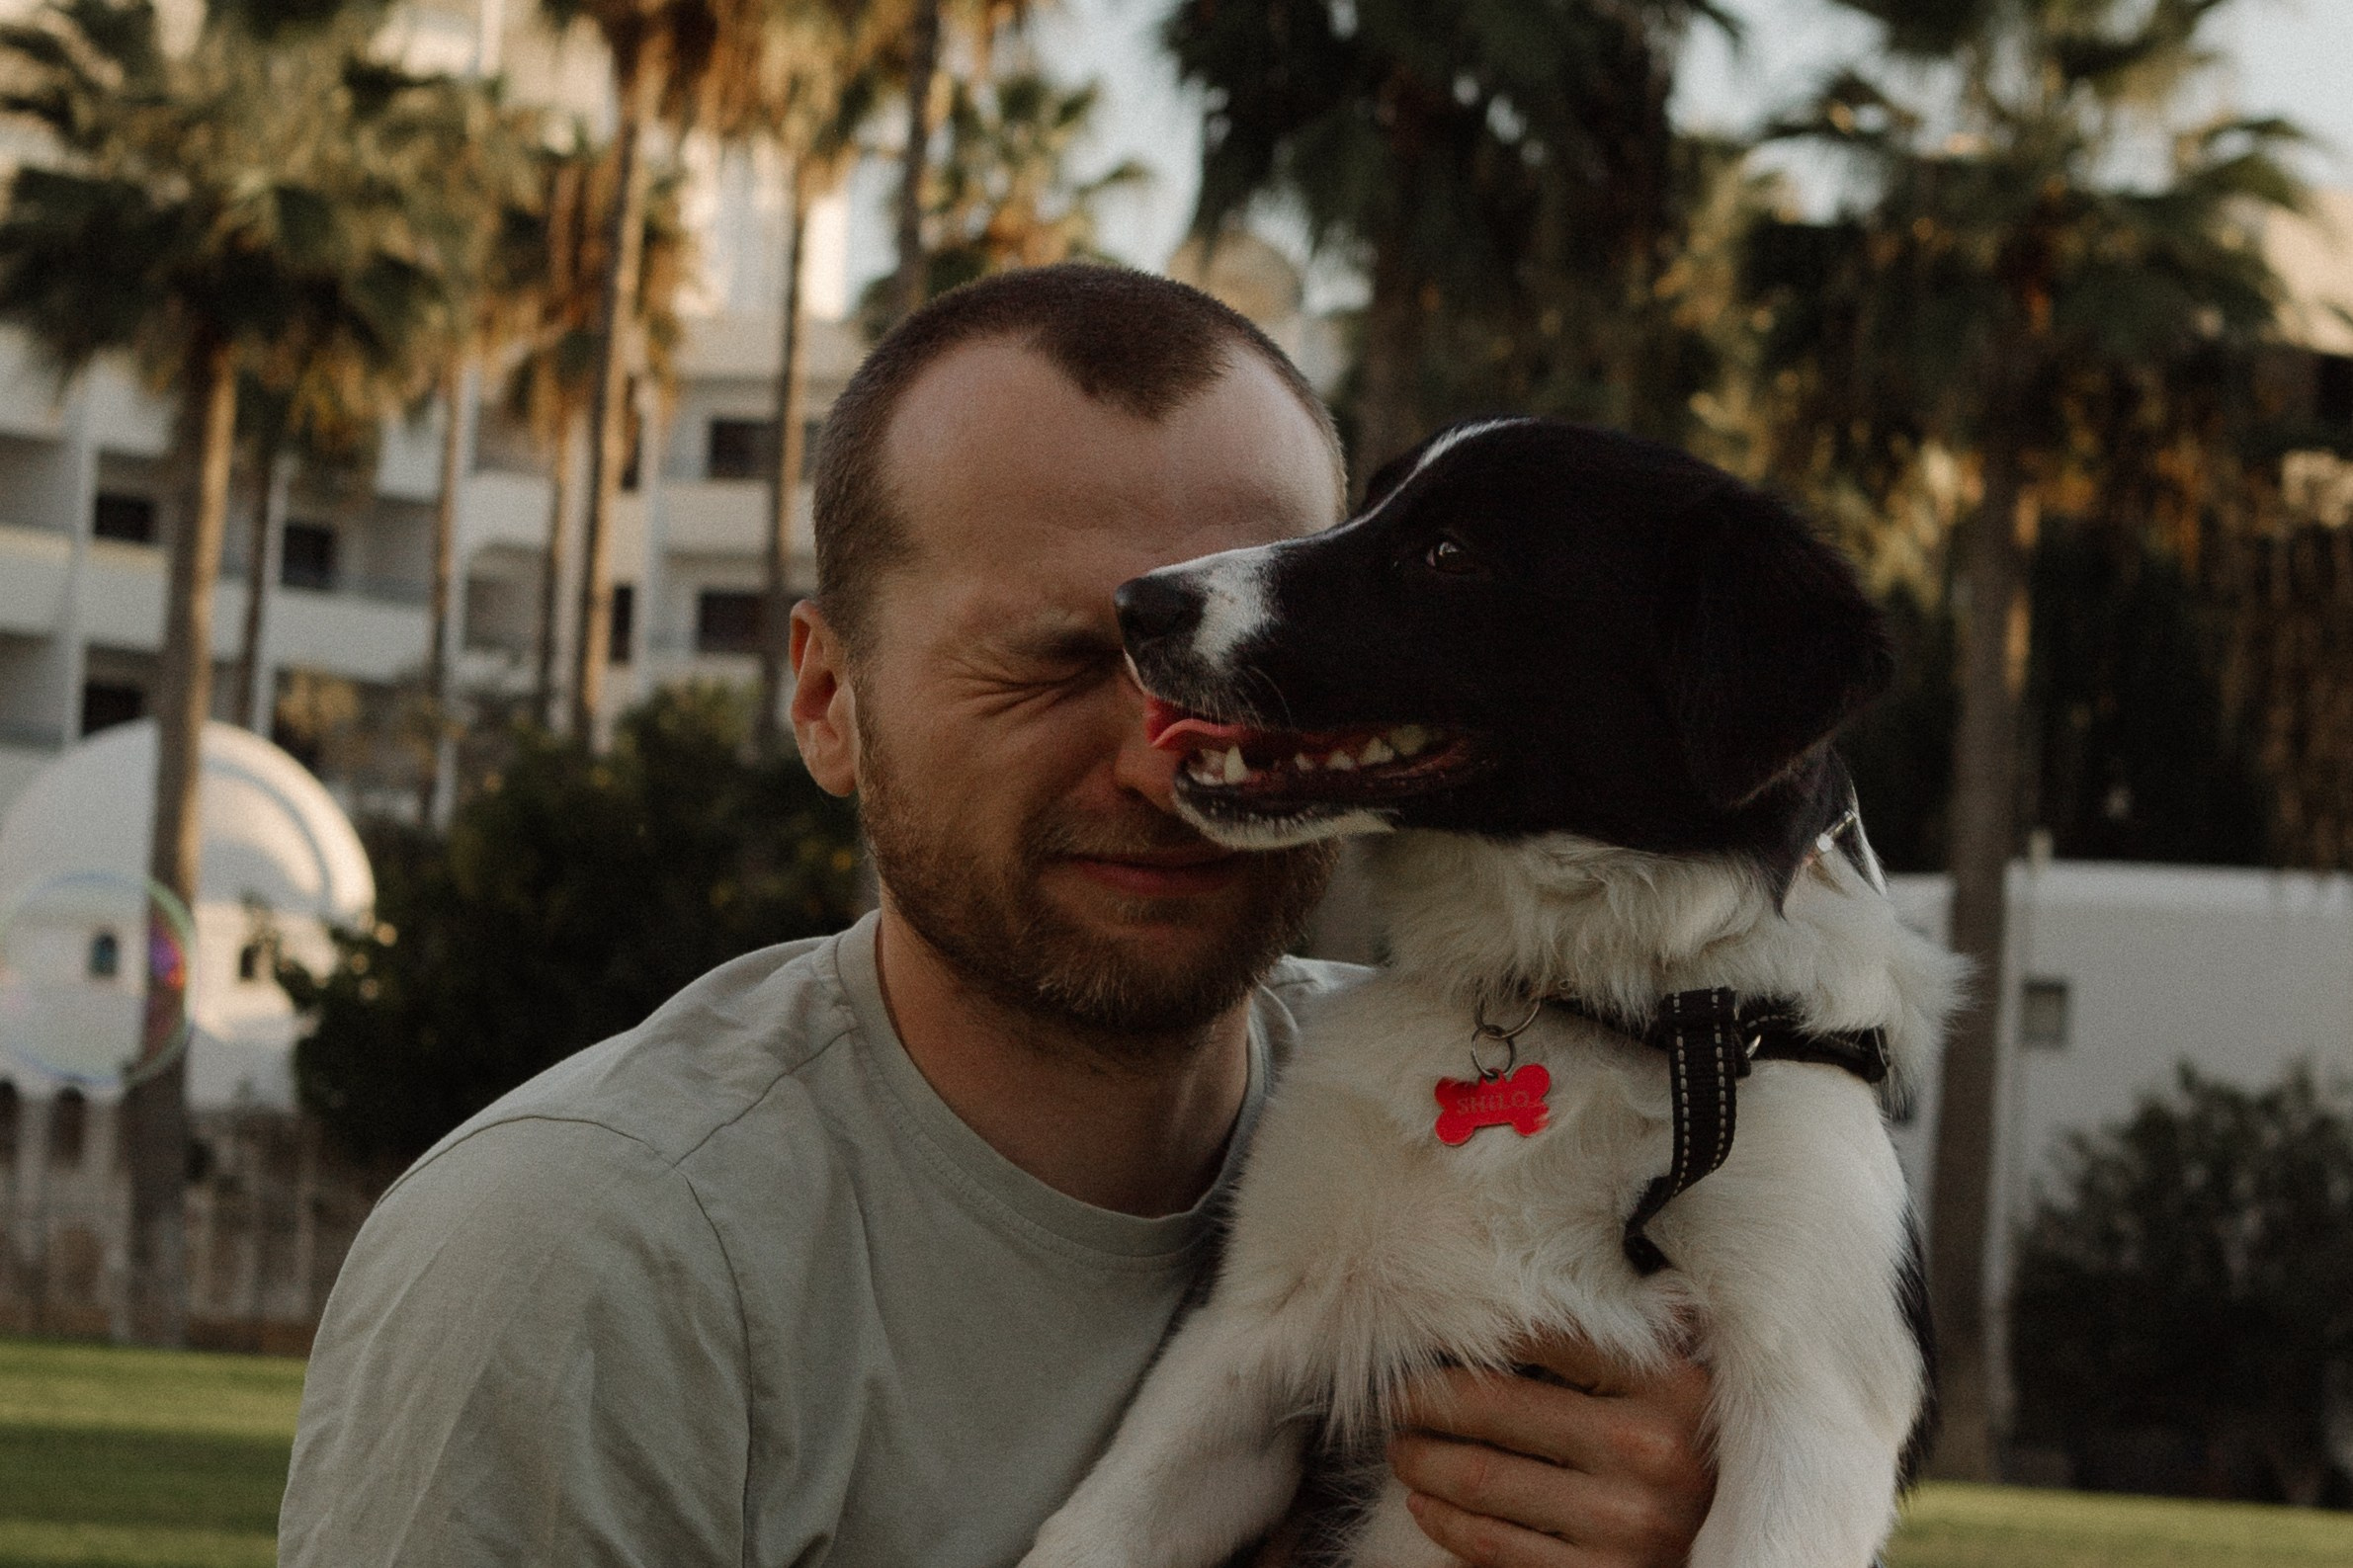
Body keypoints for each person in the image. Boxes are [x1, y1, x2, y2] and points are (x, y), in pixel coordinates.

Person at [280, 266, 1716, 1567]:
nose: (1171, 765)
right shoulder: (593, 1259)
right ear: (827, 700)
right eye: (1046, 668)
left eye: (1252, 665)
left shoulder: (1529, 1125)